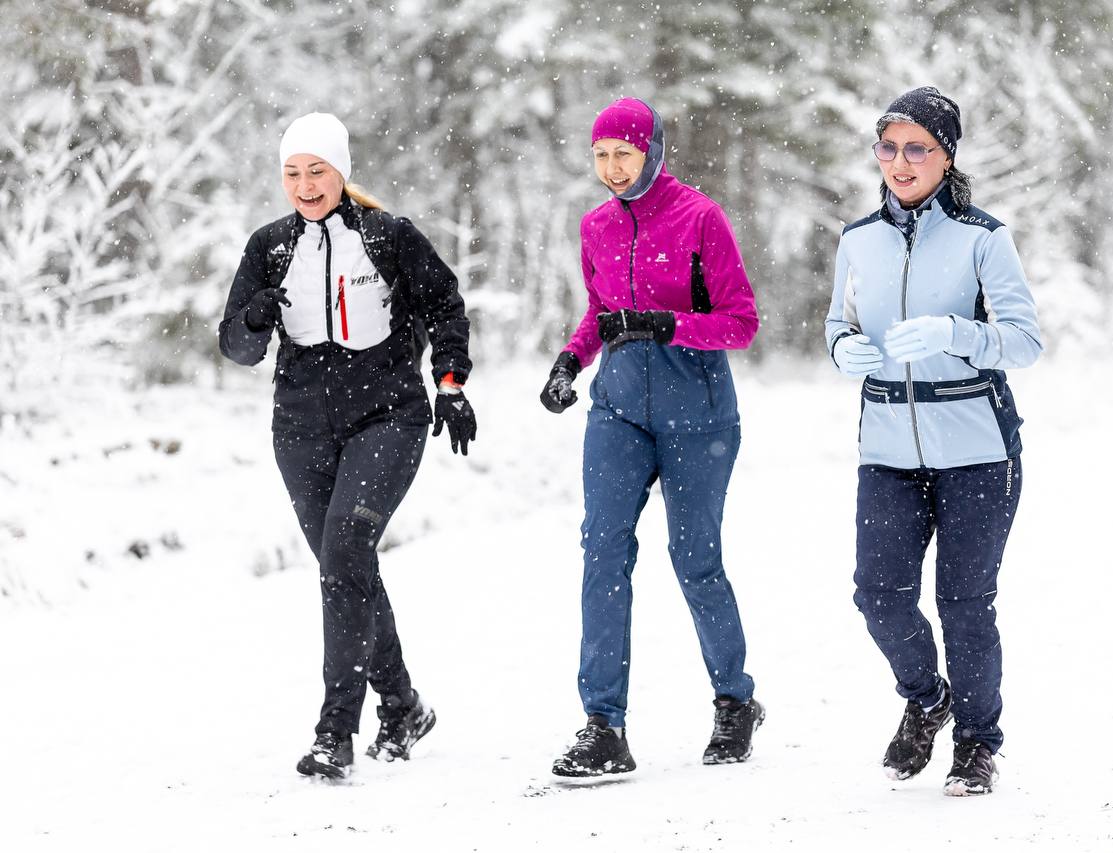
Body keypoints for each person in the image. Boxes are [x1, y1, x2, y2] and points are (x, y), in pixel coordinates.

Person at [219, 113, 476, 779]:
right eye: (293, 173)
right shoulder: (269, 248)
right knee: (347, 565)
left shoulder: (389, 237)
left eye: (318, 171)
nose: (305, 185)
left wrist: (449, 382)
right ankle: (403, 705)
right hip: (300, 428)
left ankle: (336, 728)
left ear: (341, 172)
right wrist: (254, 317)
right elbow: (237, 349)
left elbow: (446, 306)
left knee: (344, 556)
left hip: (388, 416)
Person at [824, 87, 1042, 796]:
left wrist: (959, 335)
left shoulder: (984, 236)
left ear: (947, 156)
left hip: (977, 446)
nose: (900, 160)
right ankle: (926, 697)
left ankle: (978, 741)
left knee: (964, 602)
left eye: (918, 147)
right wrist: (841, 350)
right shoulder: (858, 239)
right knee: (877, 594)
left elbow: (1026, 341)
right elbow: (838, 324)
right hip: (887, 446)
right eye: (889, 146)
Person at [540, 98, 764, 777]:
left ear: (653, 150)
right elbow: (602, 312)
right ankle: (603, 724)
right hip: (619, 412)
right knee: (602, 552)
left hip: (697, 414)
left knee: (695, 559)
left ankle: (735, 699)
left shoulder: (700, 217)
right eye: (601, 156)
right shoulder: (597, 226)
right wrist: (568, 361)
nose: (611, 169)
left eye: (623, 155)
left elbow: (742, 321)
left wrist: (668, 324)